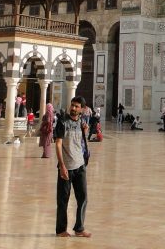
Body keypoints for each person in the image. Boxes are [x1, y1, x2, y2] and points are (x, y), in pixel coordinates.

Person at [55, 96, 91, 238]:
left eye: (77, 106)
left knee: (83, 197)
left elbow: (80, 142)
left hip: (80, 165)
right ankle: (61, 230)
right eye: (72, 105)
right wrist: (62, 165)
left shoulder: (82, 122)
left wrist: (85, 131)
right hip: (66, 167)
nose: (73, 108)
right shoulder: (62, 122)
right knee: (63, 199)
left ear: (82, 109)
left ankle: (79, 228)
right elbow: (58, 144)